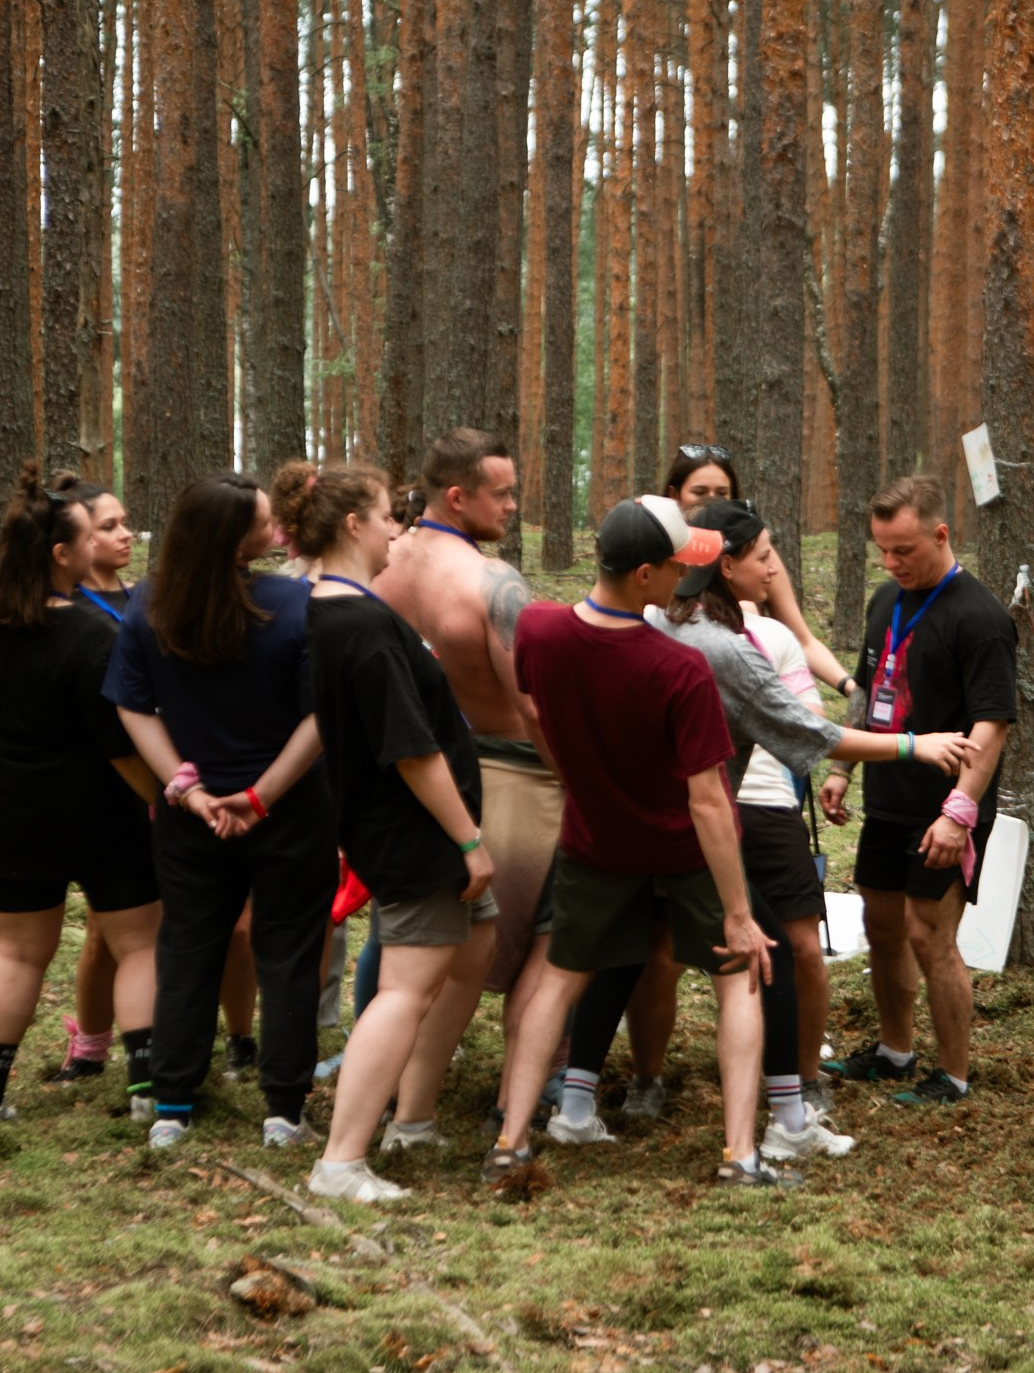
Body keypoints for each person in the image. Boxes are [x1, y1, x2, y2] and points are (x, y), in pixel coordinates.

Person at [606, 501, 977, 1161]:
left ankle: (569, 1100)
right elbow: (811, 731)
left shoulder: (654, 622)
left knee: (617, 953)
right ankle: (776, 1126)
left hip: (635, 821)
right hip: (705, 823)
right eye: (764, 556)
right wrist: (913, 747)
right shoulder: (723, 648)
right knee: (760, 958)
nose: (776, 568)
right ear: (722, 565)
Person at [491, 495, 784, 1188]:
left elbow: (532, 708)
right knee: (739, 975)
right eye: (681, 564)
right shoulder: (677, 670)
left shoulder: (538, 630)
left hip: (595, 841)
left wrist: (576, 777)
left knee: (558, 980)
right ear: (646, 575)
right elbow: (709, 801)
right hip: (685, 851)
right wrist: (739, 913)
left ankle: (510, 1141)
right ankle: (741, 1154)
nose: (690, 575)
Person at [290, 463, 499, 1204]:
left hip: (396, 830)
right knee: (404, 991)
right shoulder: (363, 624)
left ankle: (411, 1118)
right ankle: (342, 1159)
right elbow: (412, 749)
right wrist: (469, 840)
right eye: (387, 517)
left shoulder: (327, 609)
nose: (397, 531)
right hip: (413, 837)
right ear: (352, 526)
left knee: (465, 949)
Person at [107, 473, 334, 1151]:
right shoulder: (296, 604)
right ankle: (285, 1109)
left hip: (193, 817)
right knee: (289, 951)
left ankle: (172, 1102)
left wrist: (187, 788)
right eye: (266, 523)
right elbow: (320, 715)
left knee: (188, 946)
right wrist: (261, 794)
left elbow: (130, 704)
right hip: (288, 810)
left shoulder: (150, 605)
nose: (278, 531)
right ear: (237, 540)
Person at [0, 464, 162, 1120]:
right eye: (86, 539)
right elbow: (118, 744)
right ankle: (149, 1092)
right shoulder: (90, 636)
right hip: (97, 809)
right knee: (140, 944)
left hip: (3, 803)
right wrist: (163, 799)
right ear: (61, 553)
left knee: (15, 950)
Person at [373, 429, 560, 1142]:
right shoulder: (492, 582)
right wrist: (576, 779)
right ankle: (522, 1099)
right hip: (510, 776)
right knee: (528, 949)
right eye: (503, 493)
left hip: (409, 777)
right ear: (459, 496)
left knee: (406, 942)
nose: (513, 505)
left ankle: (400, 1098)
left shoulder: (380, 566)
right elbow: (536, 703)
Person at [816, 476, 1015, 1106]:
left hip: (946, 807)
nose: (891, 563)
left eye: (903, 550)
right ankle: (894, 1052)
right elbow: (867, 688)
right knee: (883, 925)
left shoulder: (980, 617)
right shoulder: (885, 601)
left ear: (941, 533)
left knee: (931, 934)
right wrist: (843, 768)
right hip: (887, 796)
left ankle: (953, 1075)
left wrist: (959, 812)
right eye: (882, 550)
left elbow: (992, 727)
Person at [38, 473, 162, 1114]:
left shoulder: (145, 597)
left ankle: (144, 1046)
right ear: (76, 542)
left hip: (157, 769)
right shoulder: (70, 613)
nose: (123, 535)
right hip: (106, 781)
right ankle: (89, 1047)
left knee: (139, 926)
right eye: (107, 526)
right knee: (108, 931)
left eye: (124, 523)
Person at [658, 445, 851, 704]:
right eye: (700, 492)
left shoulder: (761, 561)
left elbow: (803, 640)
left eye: (722, 494)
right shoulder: (657, 558)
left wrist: (849, 686)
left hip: (752, 698)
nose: (712, 500)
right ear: (675, 494)